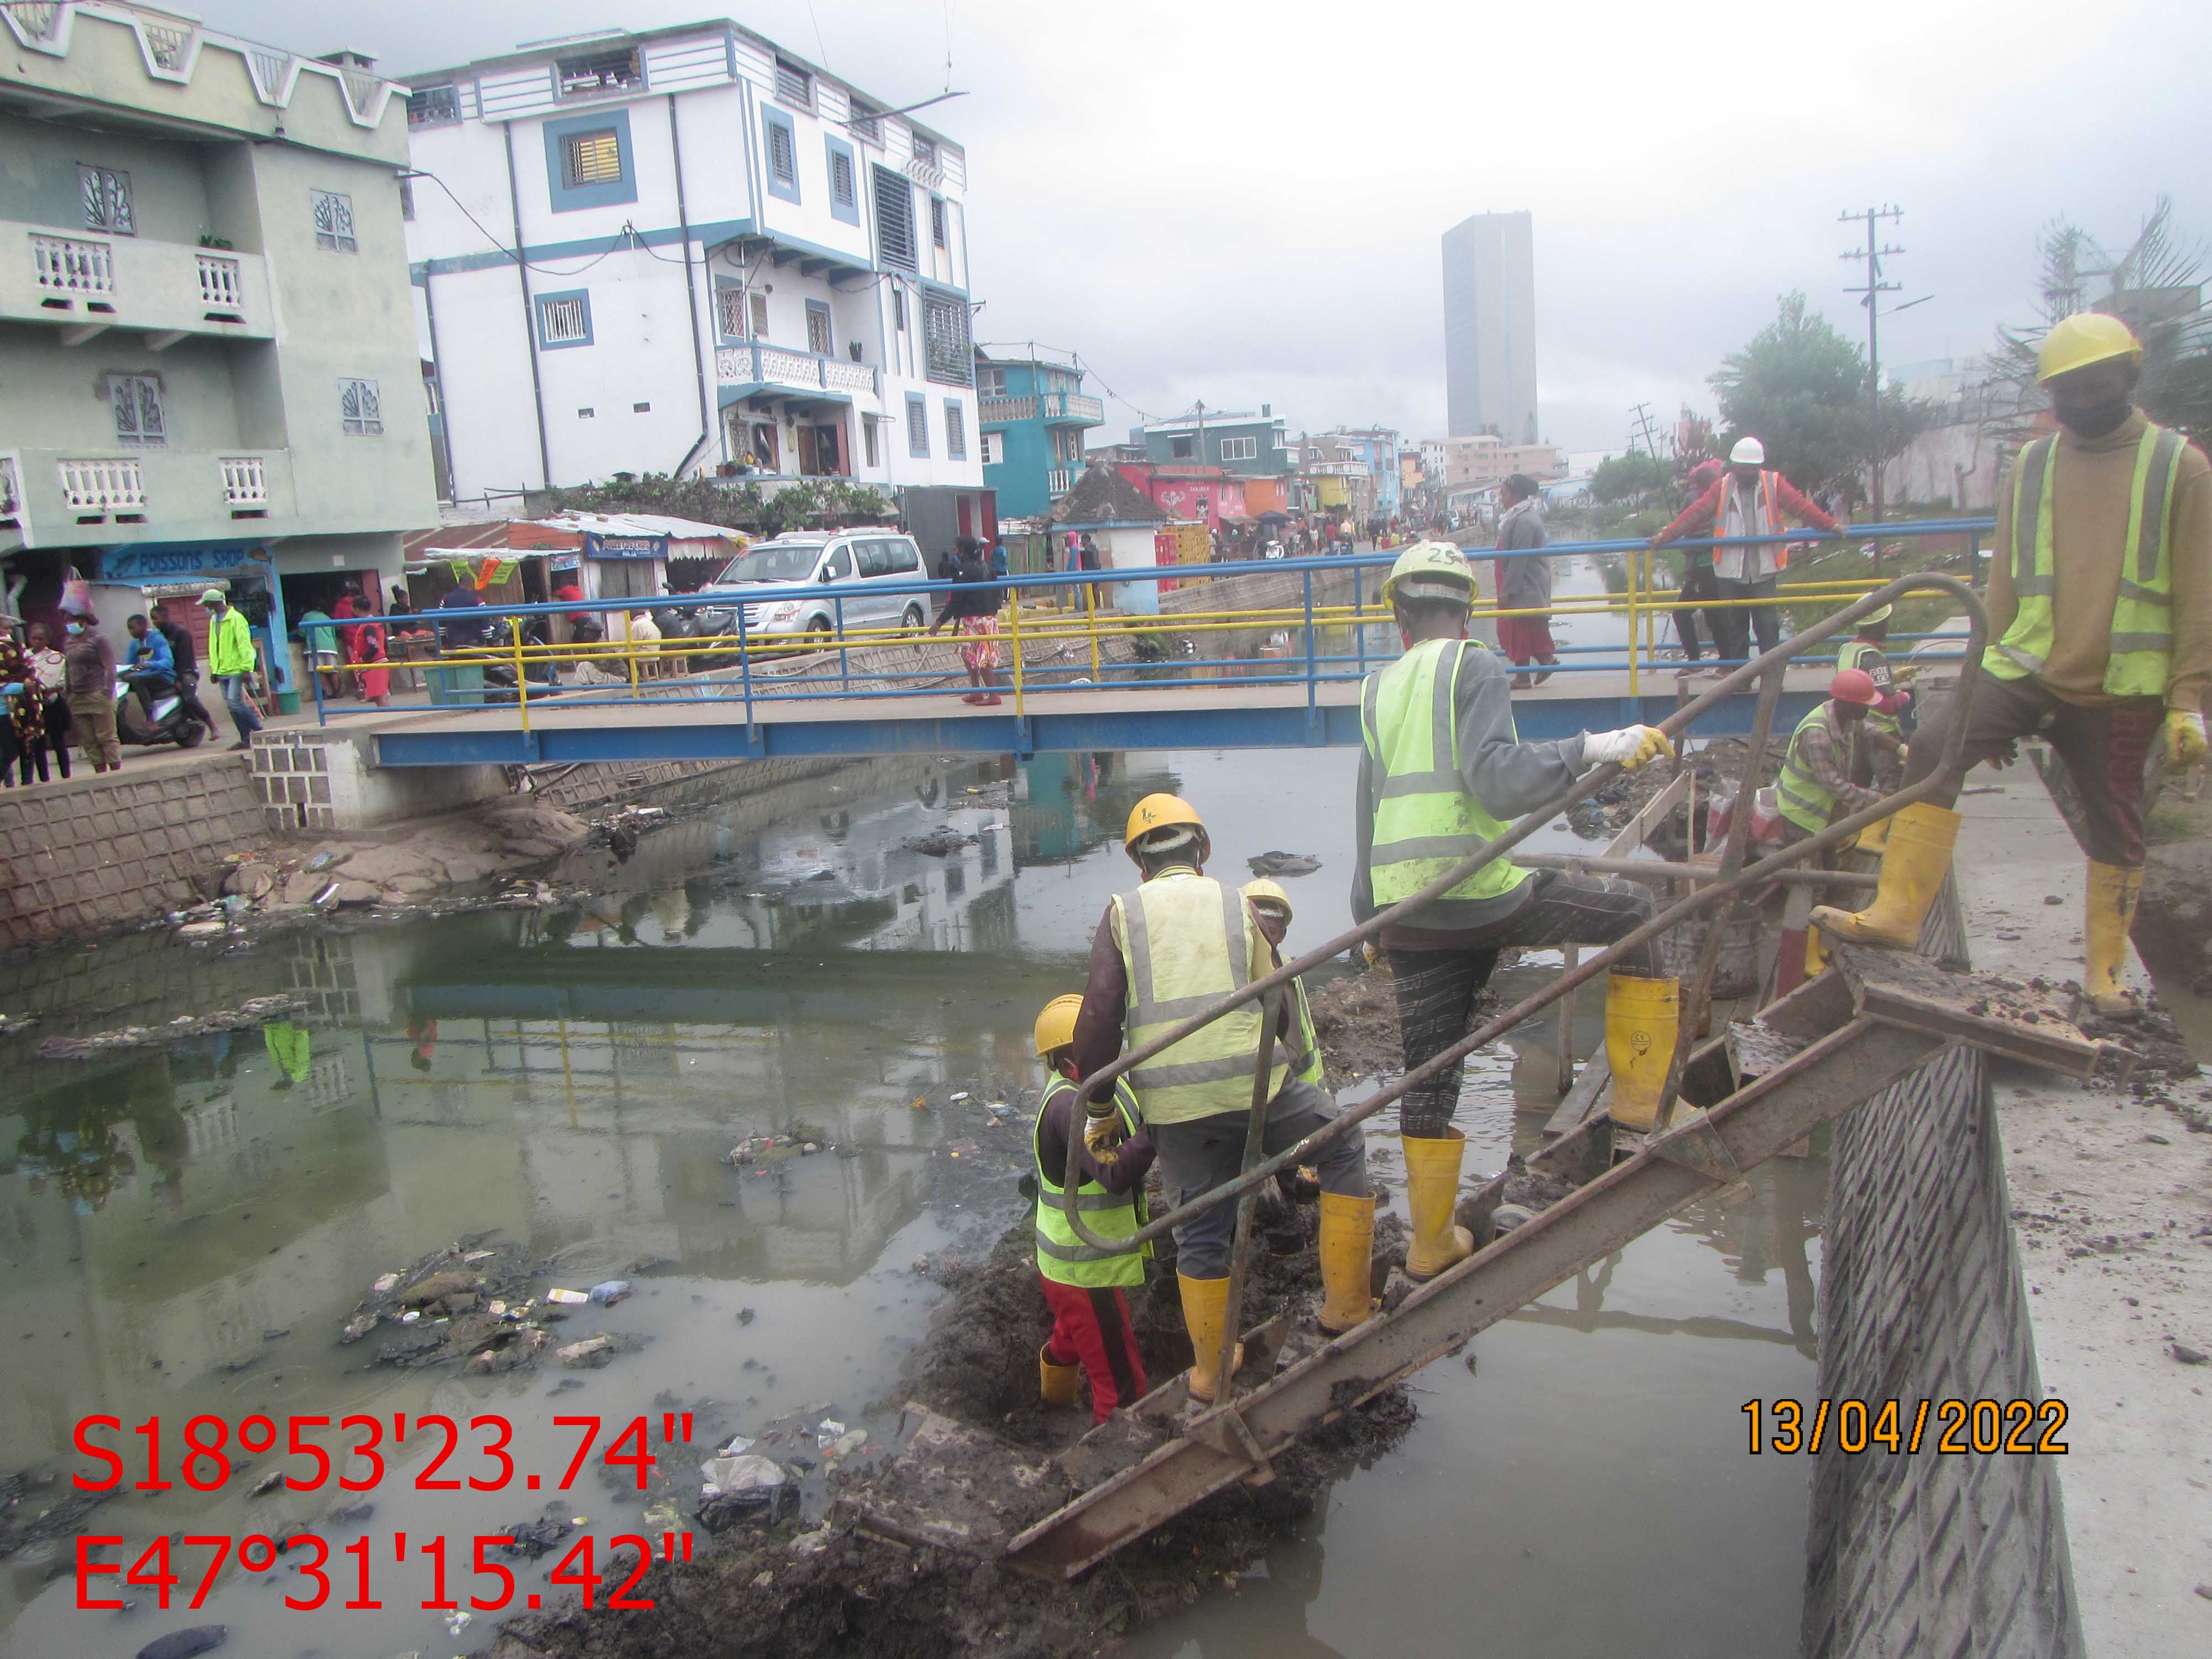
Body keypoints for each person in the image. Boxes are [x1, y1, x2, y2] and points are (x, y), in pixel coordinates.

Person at [1813, 312, 2211, 1015]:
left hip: (2123, 688)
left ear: (2128, 378)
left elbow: (2199, 595)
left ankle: (2106, 973)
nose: (2084, 399)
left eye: (2099, 384)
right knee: (1935, 747)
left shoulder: (2178, 467)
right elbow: (2000, 587)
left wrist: (2186, 701)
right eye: (2069, 388)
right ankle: (1898, 914)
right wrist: (1979, 686)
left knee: (2114, 818)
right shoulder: (2034, 464)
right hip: (2025, 664)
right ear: (2051, 393)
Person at [1354, 542, 1680, 1265]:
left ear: (1399, 617)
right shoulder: (1475, 664)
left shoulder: (1376, 688)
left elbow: (1368, 811)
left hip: (1407, 913)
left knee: (1430, 1072)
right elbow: (1498, 783)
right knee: (1631, 910)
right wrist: (1593, 747)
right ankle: (1638, 1105)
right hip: (1481, 898)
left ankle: (1431, 1242)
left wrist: (1366, 922)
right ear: (1468, 611)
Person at [1073, 794, 1374, 1402]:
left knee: (1200, 1232)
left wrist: (1101, 1108)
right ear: (1203, 852)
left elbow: (1099, 1020)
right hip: (1253, 1086)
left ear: (1138, 864)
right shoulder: (1240, 904)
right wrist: (1284, 1075)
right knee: (1340, 1146)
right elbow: (1282, 1003)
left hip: (1175, 1111)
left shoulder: (1121, 915)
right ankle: (1346, 1309)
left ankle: (1212, 1373)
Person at [1029, 992, 1154, 1423]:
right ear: (1068, 1058)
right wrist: (1162, 1127)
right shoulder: (1069, 1107)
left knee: (1072, 1337)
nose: (1109, 1049)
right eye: (1097, 1043)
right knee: (1121, 1382)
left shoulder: (1097, 1087)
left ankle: (1052, 1406)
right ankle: (1114, 1464)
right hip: (1082, 1271)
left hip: (1067, 1265)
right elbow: (1114, 1174)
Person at [1648, 436, 1848, 663]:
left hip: (1763, 568)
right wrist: (1665, 537)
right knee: (1735, 628)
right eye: (1741, 469)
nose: (1745, 474)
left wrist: (1829, 524)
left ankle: (1771, 679)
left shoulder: (1774, 483)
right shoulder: (1722, 488)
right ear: (1733, 467)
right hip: (1730, 570)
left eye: (1750, 469)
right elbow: (1695, 513)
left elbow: (1800, 506)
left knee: (1768, 628)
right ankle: (1741, 679)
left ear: (1759, 467)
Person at [1775, 670, 1894, 844]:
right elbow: (1833, 784)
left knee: (1829, 855)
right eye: (1864, 705)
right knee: (1804, 867)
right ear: (1848, 704)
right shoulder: (1817, 736)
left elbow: (1869, 731)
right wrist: (1878, 800)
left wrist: (1900, 749)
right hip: (1803, 815)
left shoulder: (1843, 714)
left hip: (1826, 812)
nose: (1868, 709)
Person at [1834, 603, 1910, 793]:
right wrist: (1904, 697)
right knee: (1893, 791)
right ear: (1879, 624)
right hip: (1881, 734)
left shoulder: (1848, 649)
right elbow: (1886, 705)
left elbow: (1858, 684)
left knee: (1856, 790)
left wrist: (1893, 679)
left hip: (1854, 732)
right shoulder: (1872, 656)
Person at [1492, 473, 1558, 688]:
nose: (1501, 498)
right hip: (1524, 584)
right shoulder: (1519, 517)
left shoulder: (1524, 521)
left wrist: (1507, 590)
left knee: (1521, 626)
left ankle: (1530, 671)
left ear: (1516, 495)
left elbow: (1519, 558)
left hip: (1525, 584)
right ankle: (1538, 666)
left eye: (1504, 494)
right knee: (1523, 626)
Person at [1668, 459, 1730, 674]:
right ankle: (1722, 662)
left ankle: (1718, 663)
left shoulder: (1700, 500)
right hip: (1711, 567)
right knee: (1713, 615)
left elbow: (1691, 526)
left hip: (1706, 567)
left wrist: (1676, 536)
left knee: (1702, 615)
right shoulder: (1719, 498)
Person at [927, 535, 1005, 705]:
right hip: (985, 617)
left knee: (982, 657)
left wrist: (939, 622)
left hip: (978, 619)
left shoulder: (966, 571)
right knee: (968, 654)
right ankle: (976, 691)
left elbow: (956, 599)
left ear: (963, 551)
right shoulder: (986, 567)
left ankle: (993, 695)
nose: (955, 552)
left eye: (957, 549)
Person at [200, 586, 262, 750]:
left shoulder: (236, 618)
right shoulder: (214, 620)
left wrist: (247, 668)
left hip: (236, 668)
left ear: (213, 603)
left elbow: (244, 644)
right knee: (231, 706)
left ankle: (257, 729)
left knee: (234, 703)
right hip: (222, 670)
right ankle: (245, 737)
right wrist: (214, 669)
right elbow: (213, 646)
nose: (206, 607)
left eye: (207, 604)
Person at [61, 605, 119, 773]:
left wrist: (107, 692)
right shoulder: (68, 640)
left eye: (71, 621)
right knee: (88, 739)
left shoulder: (99, 639)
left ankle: (116, 772)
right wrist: (69, 693)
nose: (68, 625)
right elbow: (68, 667)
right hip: (77, 696)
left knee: (106, 736)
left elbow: (109, 668)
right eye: (66, 622)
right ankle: (99, 773)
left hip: (97, 692)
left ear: (83, 620)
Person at [149, 601, 218, 731]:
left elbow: (184, 659)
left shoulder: (181, 633)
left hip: (187, 672)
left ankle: (212, 726)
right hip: (168, 672)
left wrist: (178, 679)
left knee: (189, 699)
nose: (154, 622)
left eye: (156, 618)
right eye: (152, 619)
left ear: (165, 617)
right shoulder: (158, 636)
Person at [1, 617, 48, 787]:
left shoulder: (19, 654)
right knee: (8, 752)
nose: (9, 633)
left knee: (27, 747)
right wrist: (22, 687)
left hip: (22, 709)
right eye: (6, 629)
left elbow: (27, 673)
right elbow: (3, 685)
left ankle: (27, 784)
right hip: (4, 712)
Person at [23, 621, 70, 779]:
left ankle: (66, 776)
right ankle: (44, 778)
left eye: (41, 639)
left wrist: (47, 692)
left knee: (58, 742)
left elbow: (62, 683)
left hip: (52, 704)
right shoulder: (24, 658)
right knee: (37, 745)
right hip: (32, 706)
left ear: (47, 640)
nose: (37, 642)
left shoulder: (57, 658)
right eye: (33, 638)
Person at [335, 593, 390, 707]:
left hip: (375, 664)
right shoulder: (376, 623)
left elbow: (374, 647)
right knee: (379, 696)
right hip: (378, 662)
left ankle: (390, 716)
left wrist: (362, 660)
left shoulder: (368, 626)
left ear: (357, 609)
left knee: (380, 697)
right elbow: (384, 643)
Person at [121, 613, 176, 718]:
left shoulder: (158, 640)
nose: (131, 631)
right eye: (129, 629)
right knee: (126, 679)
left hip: (163, 676)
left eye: (133, 628)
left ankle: (150, 717)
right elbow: (128, 663)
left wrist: (149, 665)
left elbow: (169, 662)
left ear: (144, 626)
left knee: (137, 680)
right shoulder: (134, 643)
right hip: (146, 677)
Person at [298, 603, 342, 701]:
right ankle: (337, 692)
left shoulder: (307, 616)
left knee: (319, 671)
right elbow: (334, 634)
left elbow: (302, 633)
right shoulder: (327, 617)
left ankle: (325, 693)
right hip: (330, 647)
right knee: (333, 670)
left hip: (315, 647)